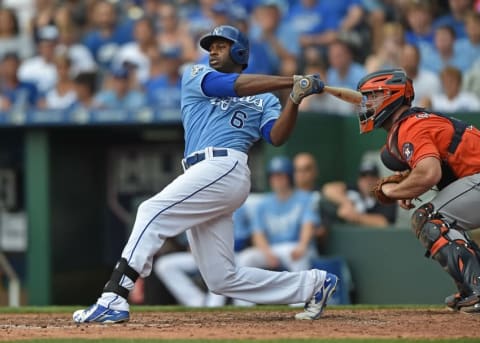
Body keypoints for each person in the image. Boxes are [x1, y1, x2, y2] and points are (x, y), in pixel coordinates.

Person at [72, 24, 337, 323]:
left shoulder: (264, 99)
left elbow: (276, 136)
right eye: (211, 45)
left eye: (220, 45)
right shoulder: (195, 74)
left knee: (150, 211)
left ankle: (113, 296)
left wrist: (294, 98)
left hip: (226, 166)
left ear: (239, 51)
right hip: (205, 173)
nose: (212, 50)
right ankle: (314, 284)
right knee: (221, 278)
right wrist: (289, 80)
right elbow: (230, 86)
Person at [356, 68, 480, 313]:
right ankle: (471, 288)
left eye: (372, 97)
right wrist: (409, 185)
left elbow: (430, 173)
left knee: (430, 219)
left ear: (391, 96)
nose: (366, 104)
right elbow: (441, 167)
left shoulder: (410, 125)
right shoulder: (413, 121)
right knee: (433, 218)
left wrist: (394, 191)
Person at [235, 156, 320, 284]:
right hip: (273, 249)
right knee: (245, 259)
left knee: (298, 258)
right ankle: (244, 303)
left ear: (289, 177)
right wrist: (267, 253)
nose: (277, 180)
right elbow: (258, 234)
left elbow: (308, 226)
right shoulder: (263, 204)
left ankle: (299, 303)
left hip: (297, 248)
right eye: (273, 176)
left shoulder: (306, 198)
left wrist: (302, 246)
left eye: (281, 176)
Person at [153, 204, 252, 307]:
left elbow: (241, 240)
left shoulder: (235, 204)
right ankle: (198, 304)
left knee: (217, 260)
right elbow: (189, 242)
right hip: (201, 255)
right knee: (164, 265)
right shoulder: (195, 206)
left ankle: (216, 305)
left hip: (231, 255)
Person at [322, 161, 397, 228]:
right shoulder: (354, 189)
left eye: (372, 177)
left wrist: (355, 216)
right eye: (364, 177)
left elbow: (383, 222)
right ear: (359, 180)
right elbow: (328, 189)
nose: (368, 181)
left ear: (379, 180)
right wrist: (346, 203)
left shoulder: (386, 196)